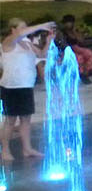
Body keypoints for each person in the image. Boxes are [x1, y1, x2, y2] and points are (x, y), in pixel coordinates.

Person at [1, 19, 55, 163]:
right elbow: (21, 33)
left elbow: (43, 55)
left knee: (26, 119)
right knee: (10, 120)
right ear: (13, 30)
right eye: (23, 27)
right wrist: (41, 26)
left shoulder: (28, 43)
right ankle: (5, 150)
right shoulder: (8, 42)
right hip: (11, 87)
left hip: (26, 86)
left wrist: (49, 41)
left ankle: (27, 149)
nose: (27, 30)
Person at [55, 15, 92, 81]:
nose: (69, 24)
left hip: (76, 47)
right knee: (78, 58)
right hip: (66, 50)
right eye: (67, 22)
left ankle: (85, 73)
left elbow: (81, 41)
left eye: (71, 22)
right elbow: (62, 45)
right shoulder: (61, 33)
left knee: (91, 55)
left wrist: (74, 32)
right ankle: (81, 74)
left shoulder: (75, 31)